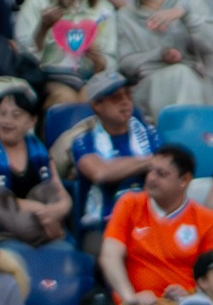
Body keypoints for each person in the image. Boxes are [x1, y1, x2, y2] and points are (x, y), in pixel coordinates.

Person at [98, 142, 213, 305]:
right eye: (151, 171)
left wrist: (192, 293)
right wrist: (130, 297)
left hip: (187, 303)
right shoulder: (130, 204)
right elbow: (109, 255)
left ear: (184, 180)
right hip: (138, 304)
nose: (151, 178)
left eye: (161, 174)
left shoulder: (207, 219)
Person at [109, 0, 213, 116]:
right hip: (150, 87)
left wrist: (185, 16)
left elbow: (212, 45)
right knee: (181, 75)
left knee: (189, 77)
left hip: (198, 84)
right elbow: (125, 65)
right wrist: (160, 55)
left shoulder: (191, 2)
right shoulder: (124, 17)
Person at [58, 71, 160, 240]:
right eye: (116, 98)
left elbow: (164, 166)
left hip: (147, 218)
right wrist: (148, 162)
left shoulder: (149, 134)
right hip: (102, 225)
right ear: (97, 105)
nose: (125, 102)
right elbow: (100, 173)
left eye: (128, 95)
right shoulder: (84, 141)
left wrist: (117, 167)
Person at [0, 88, 68, 247]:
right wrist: (38, 209)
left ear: (31, 121)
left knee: (64, 248)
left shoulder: (39, 150)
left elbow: (60, 191)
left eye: (15, 115)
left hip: (44, 224)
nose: (6, 121)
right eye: (2, 114)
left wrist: (58, 209)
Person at [15, 0, 114, 106]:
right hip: (47, 77)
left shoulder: (104, 9)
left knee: (90, 98)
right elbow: (25, 57)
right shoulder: (38, 1)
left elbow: (112, 60)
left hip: (90, 78)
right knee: (64, 98)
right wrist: (43, 28)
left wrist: (99, 61)